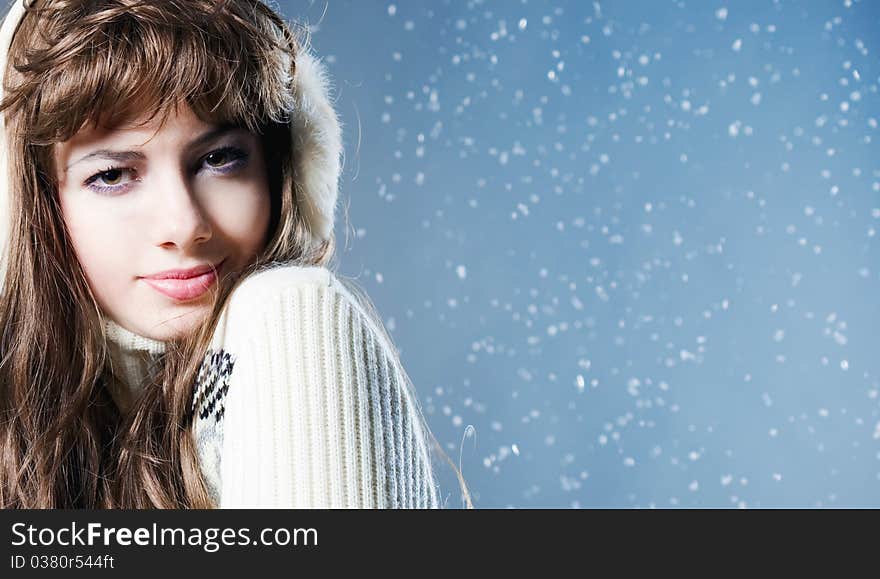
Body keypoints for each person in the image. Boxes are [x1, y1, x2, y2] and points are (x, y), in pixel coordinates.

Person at [0, 0, 471, 508]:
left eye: (218, 159)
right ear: (38, 206)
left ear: (278, 166)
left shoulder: (296, 318)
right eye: (112, 175)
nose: (185, 226)